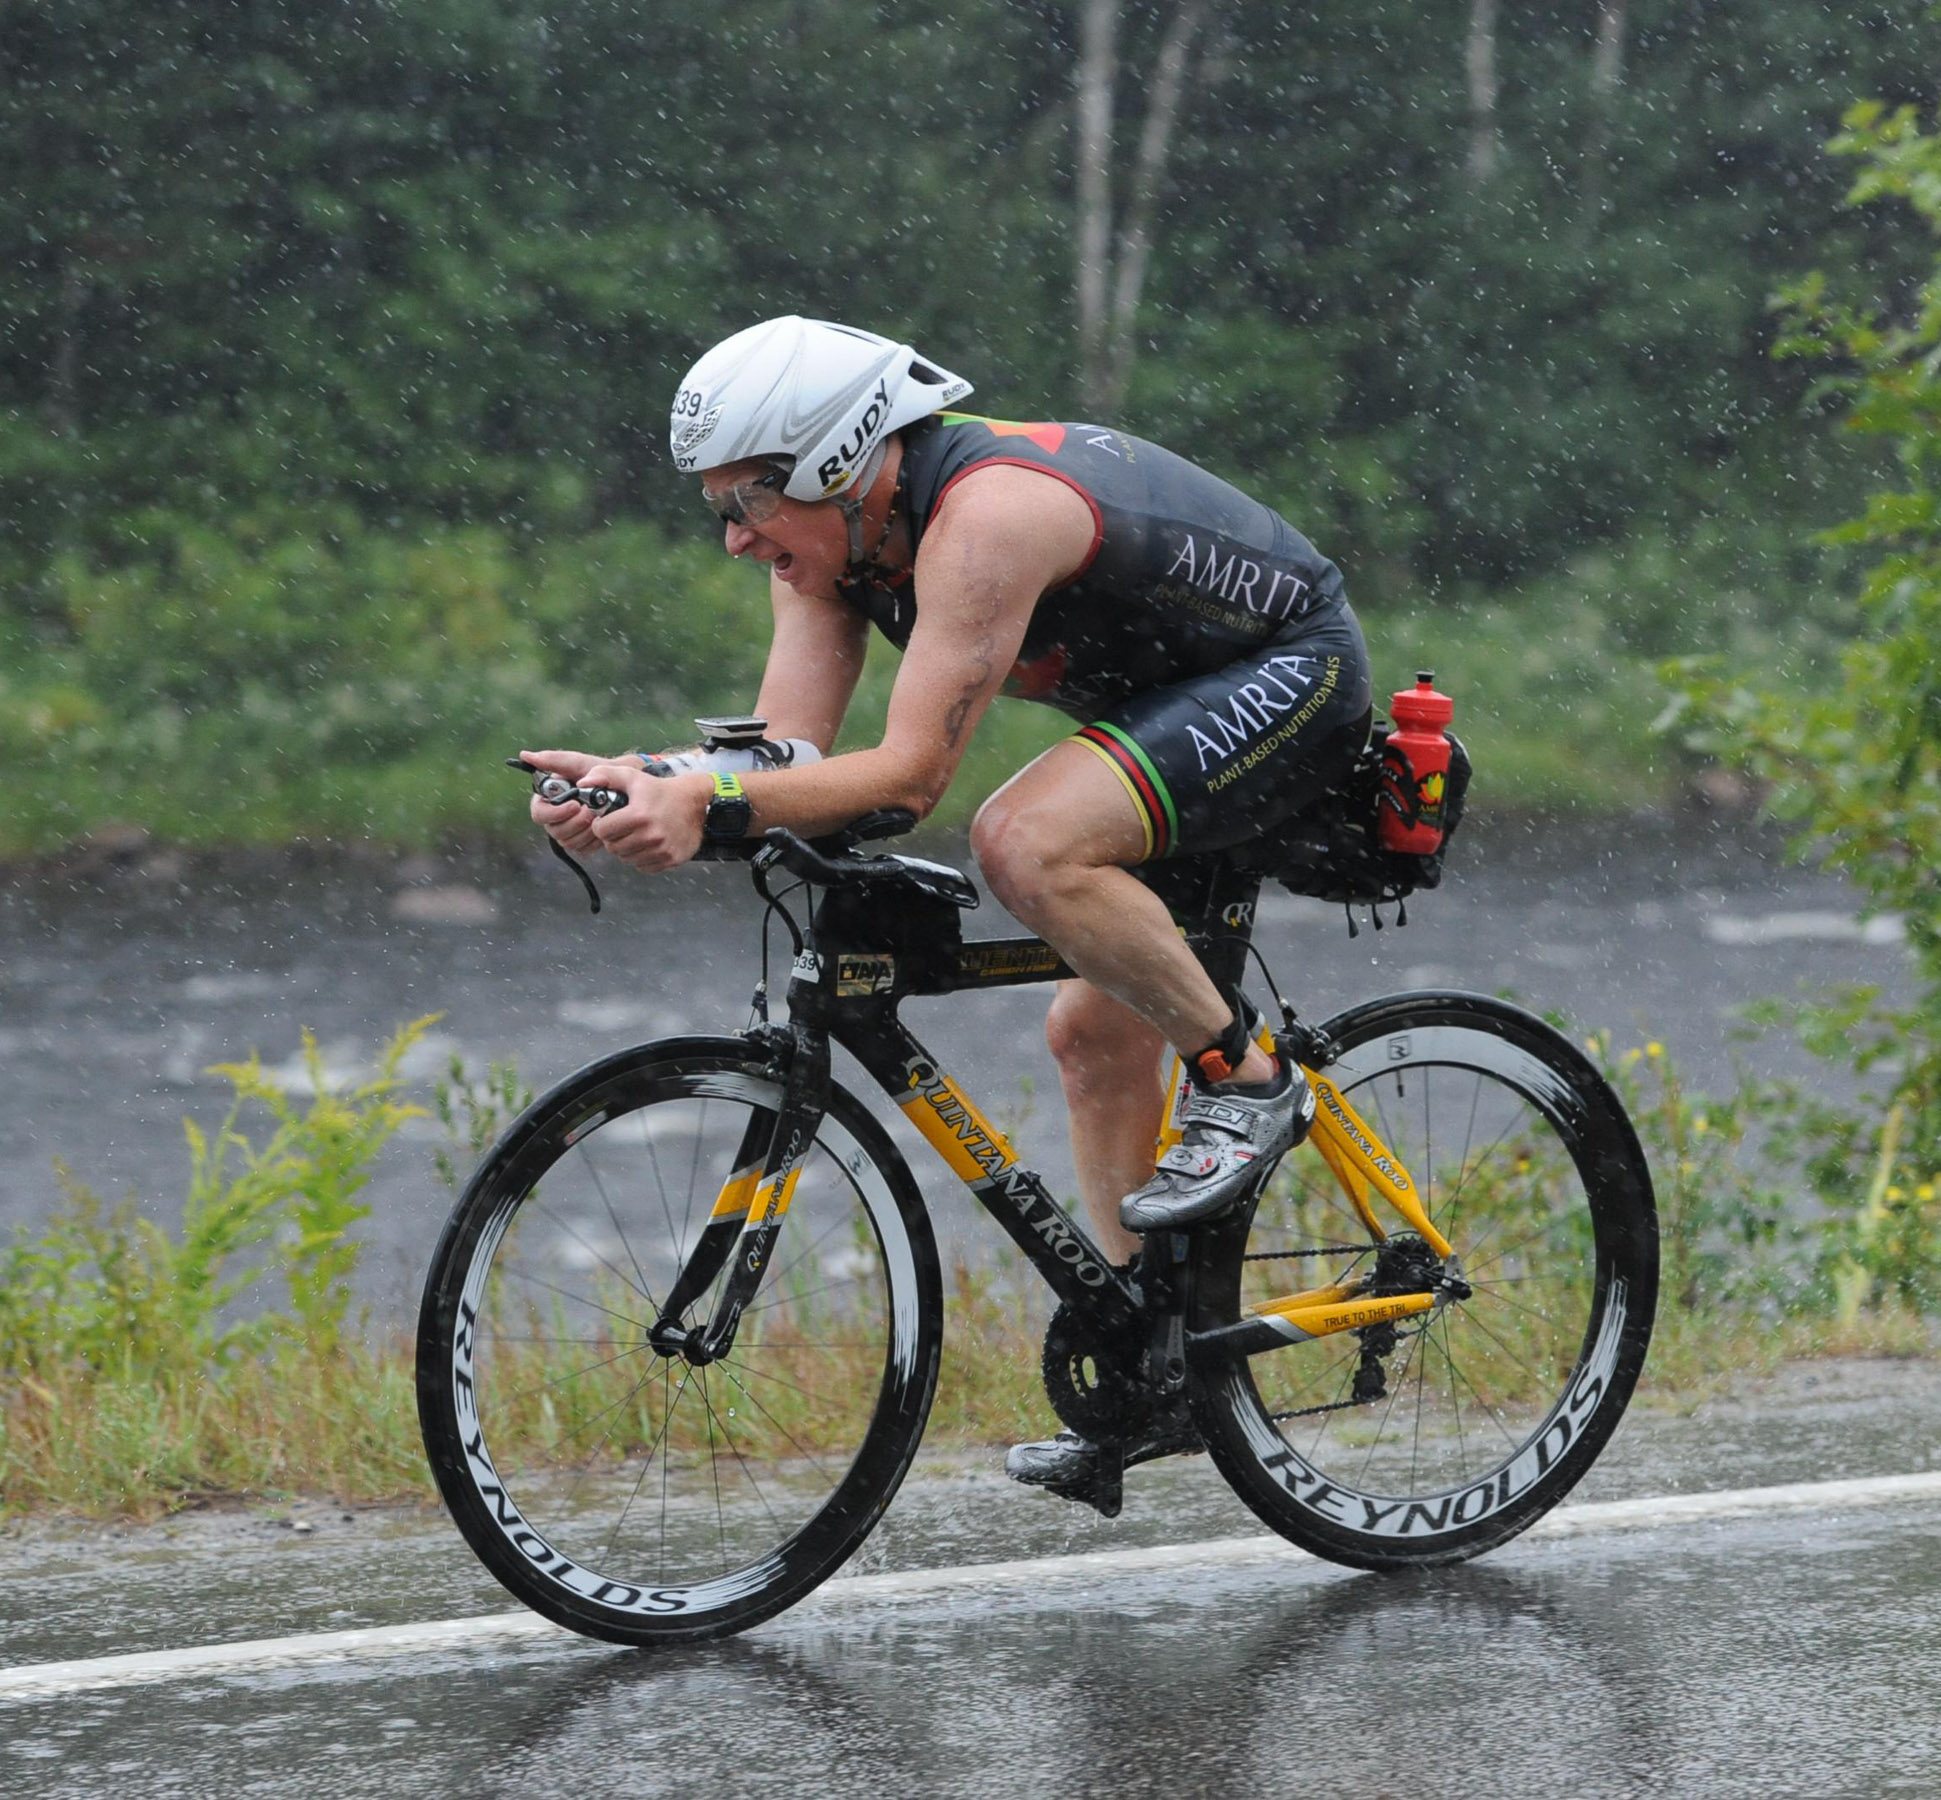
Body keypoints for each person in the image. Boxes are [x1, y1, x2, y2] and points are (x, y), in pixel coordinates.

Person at [524, 315, 1372, 1509]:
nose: (731, 539)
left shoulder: (987, 517)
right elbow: (792, 757)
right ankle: (1162, 1371)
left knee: (1022, 840)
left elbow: (909, 776)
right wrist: (648, 782)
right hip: (1162, 715)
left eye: (748, 503)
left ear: (835, 462)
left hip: (1288, 676)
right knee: (1092, 1035)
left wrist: (714, 811)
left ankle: (1245, 1079)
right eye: (716, 508)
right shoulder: (839, 552)